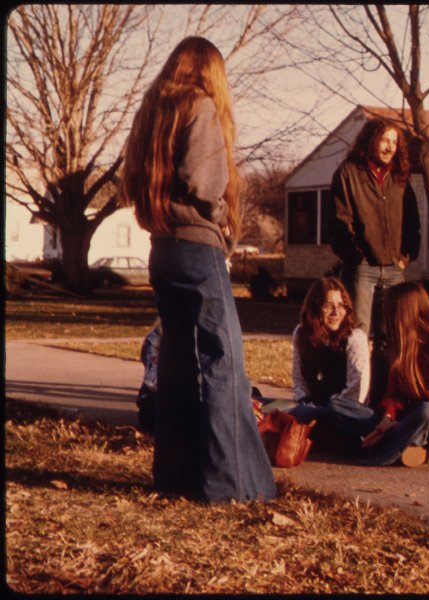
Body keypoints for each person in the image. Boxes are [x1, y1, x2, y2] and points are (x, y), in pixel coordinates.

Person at [121, 36, 276, 502]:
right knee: (224, 364)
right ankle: (230, 487)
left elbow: (136, 179)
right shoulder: (201, 104)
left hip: (162, 248)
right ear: (210, 71)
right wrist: (222, 224)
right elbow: (204, 182)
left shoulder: (152, 110)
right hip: (196, 246)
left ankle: (175, 479)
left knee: (176, 367)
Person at [327, 118, 422, 408]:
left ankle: (383, 401)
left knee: (390, 339)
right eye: (385, 140)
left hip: (395, 269)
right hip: (362, 270)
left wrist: (405, 256)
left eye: (395, 142)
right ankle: (352, 400)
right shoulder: (348, 173)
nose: (390, 147)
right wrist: (357, 256)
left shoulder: (401, 177)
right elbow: (339, 221)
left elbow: (413, 221)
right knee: (356, 337)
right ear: (370, 140)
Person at [325, 282, 429, 467]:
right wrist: (388, 419)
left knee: (427, 412)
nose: (386, 321)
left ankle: (380, 449)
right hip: (404, 423)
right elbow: (393, 395)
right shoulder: (400, 351)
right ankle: (410, 445)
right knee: (337, 405)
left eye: (390, 314)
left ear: (402, 317)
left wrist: (404, 421)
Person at [280, 277, 369, 453]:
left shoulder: (354, 338)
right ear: (315, 308)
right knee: (260, 403)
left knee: (327, 412)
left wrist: (322, 409)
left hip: (345, 412)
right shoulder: (301, 334)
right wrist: (304, 403)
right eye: (328, 305)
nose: (336, 312)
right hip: (312, 408)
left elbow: (356, 393)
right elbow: (298, 380)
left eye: (341, 305)